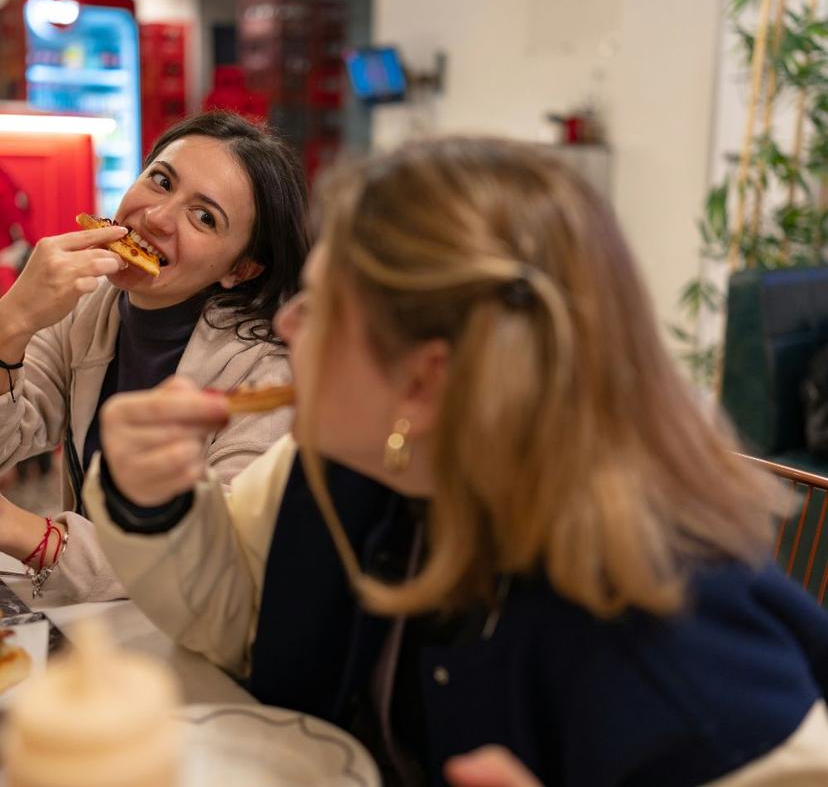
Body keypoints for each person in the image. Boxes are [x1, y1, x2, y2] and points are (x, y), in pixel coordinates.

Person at [85, 137, 828, 786]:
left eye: (318, 304)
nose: (284, 323)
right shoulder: (340, 465)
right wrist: (155, 502)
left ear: (425, 379)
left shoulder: (679, 645)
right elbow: (244, 618)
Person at [0, 110, 309, 603]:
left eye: (204, 216)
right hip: (92, 620)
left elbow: (218, 558)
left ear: (241, 268)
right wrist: (10, 320)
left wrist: (29, 534)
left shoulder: (265, 375)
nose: (157, 218)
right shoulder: (86, 306)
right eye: (161, 181)